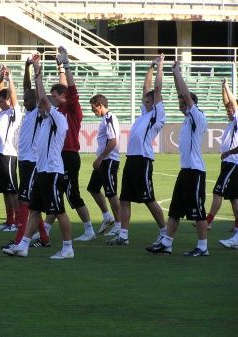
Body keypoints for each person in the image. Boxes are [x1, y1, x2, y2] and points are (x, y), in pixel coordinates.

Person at [3, 55, 74, 259]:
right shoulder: (43, 121)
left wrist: (37, 71)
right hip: (43, 171)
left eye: (44, 103)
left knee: (59, 211)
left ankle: (68, 248)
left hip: (52, 171)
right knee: (34, 210)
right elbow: (37, 97)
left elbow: (40, 97)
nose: (40, 107)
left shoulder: (57, 119)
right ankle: (23, 245)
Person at [146, 60, 209, 256]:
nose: (181, 105)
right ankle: (167, 243)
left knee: (198, 211)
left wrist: (178, 73)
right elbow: (183, 95)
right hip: (186, 171)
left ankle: (202, 247)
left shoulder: (197, 117)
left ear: (191, 104)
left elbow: (185, 95)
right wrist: (174, 74)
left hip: (195, 171)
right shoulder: (187, 119)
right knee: (174, 210)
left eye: (184, 103)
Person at [42, 46, 100, 242]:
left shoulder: (73, 108)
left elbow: (70, 89)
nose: (53, 99)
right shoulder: (59, 110)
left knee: (71, 194)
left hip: (69, 155)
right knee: (56, 192)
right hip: (60, 155)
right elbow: (63, 87)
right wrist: (59, 68)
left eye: (55, 97)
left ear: (63, 97)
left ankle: (89, 229)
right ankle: (46, 230)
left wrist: (67, 65)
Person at [108, 54, 166, 245]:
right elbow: (146, 88)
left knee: (149, 199)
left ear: (155, 103)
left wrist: (160, 66)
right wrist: (150, 66)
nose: (145, 103)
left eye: (149, 102)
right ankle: (123, 236)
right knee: (125, 199)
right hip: (132, 159)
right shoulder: (144, 114)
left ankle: (165, 232)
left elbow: (156, 89)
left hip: (143, 159)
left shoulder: (157, 115)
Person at [1, 55, 50, 250]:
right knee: (34, 203)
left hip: (33, 162)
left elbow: (36, 92)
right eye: (26, 97)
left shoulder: (39, 112)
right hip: (24, 161)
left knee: (24, 200)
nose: (27, 99)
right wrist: (26, 67)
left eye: (31, 98)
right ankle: (44, 239)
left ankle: (20, 239)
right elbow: (27, 87)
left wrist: (36, 67)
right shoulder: (29, 112)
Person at [0, 66, 22, 232]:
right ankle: (9, 220)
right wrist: (0, 79)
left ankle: (18, 222)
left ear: (9, 101)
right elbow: (0, 91)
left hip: (9, 154)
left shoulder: (13, 112)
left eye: (2, 100)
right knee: (4, 190)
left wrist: (9, 79)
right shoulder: (0, 113)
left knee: (12, 190)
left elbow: (13, 96)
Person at [87, 94, 122, 236]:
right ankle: (108, 217)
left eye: (93, 107)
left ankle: (119, 225)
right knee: (93, 188)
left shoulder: (109, 117)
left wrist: (100, 158)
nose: (92, 110)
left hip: (109, 160)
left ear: (100, 105)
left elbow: (113, 141)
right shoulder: (105, 119)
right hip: (103, 161)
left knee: (111, 193)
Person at [214, 79, 238, 248]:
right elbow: (227, 102)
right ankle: (237, 226)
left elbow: (233, 105)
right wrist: (223, 87)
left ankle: (207, 221)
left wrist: (228, 87)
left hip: (233, 162)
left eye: (230, 109)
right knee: (233, 197)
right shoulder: (232, 122)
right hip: (228, 162)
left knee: (219, 191)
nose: (227, 111)